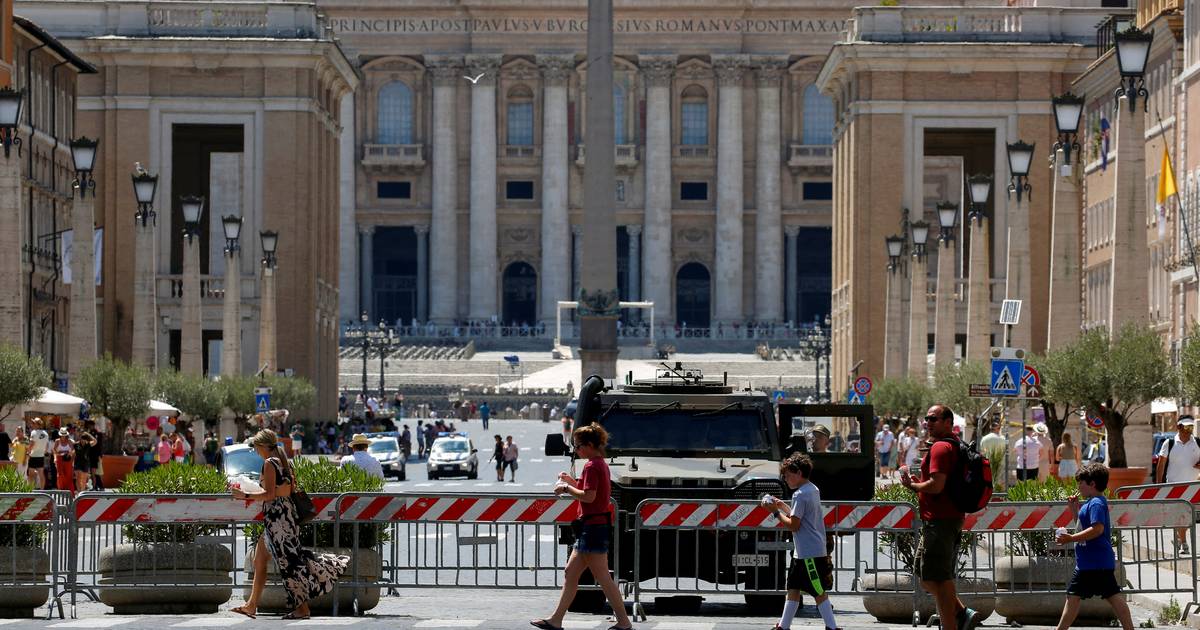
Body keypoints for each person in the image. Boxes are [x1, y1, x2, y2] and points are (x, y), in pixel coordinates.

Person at [232, 429, 348, 620]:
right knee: (260, 560)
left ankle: (305, 604)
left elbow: (269, 494)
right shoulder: (284, 463)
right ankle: (251, 605)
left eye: (255, 448)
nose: (255, 451)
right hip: (284, 518)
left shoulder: (269, 464)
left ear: (262, 446)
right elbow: (284, 491)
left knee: (290, 564)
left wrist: (244, 494)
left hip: (277, 522)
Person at [531, 424, 633, 630]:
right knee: (572, 573)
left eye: (577, 447)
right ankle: (556, 619)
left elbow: (589, 496)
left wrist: (566, 487)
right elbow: (589, 490)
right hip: (594, 526)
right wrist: (571, 481)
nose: (576, 450)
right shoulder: (599, 464)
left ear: (588, 445)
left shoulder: (591, 466)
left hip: (592, 527)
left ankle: (623, 622)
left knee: (603, 578)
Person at [901, 405, 980, 630]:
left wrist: (914, 485)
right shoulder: (950, 446)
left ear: (948, 422)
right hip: (942, 519)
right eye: (926, 419)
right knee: (926, 576)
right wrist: (920, 483)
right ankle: (963, 613)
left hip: (941, 520)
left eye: (934, 418)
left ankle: (953, 624)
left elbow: (936, 486)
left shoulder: (941, 448)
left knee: (939, 579)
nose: (928, 422)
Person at [1052, 463, 1134, 630]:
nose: (1078, 486)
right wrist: (1074, 510)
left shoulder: (1096, 503)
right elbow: (1083, 527)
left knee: (1078, 597)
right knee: (1095, 596)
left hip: (1094, 562)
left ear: (1092, 484)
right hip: (1092, 561)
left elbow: (1097, 529)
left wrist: (1070, 538)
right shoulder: (1092, 502)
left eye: (1081, 483)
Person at [765, 453, 839, 630]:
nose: (785, 479)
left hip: (808, 553)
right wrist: (783, 507)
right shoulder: (812, 489)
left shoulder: (800, 494)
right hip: (808, 551)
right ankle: (783, 626)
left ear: (798, 472)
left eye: (787, 475)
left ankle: (832, 627)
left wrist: (775, 512)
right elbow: (800, 518)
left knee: (817, 590)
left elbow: (794, 525)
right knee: (794, 588)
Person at [1154, 416, 1200, 555]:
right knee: (1179, 514)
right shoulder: (1169, 443)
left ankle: (1179, 538)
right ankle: (1184, 542)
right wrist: (1158, 486)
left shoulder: (1197, 443)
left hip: (1192, 486)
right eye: (1186, 427)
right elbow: (1161, 465)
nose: (1189, 430)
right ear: (1178, 427)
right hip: (1173, 486)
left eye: (1191, 427)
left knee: (1187, 516)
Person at [26, 418, 49, 489]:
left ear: (37, 424)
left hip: (33, 455)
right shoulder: (45, 433)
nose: (32, 425)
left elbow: (32, 444)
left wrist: (28, 452)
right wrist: (43, 452)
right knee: (41, 474)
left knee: (31, 474)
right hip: (41, 456)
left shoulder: (34, 432)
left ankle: (30, 490)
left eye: (33, 423)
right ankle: (42, 490)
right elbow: (47, 445)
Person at [52, 428, 75, 493]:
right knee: (60, 475)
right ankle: (61, 490)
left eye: (64, 435)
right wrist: (56, 457)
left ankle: (69, 491)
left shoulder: (70, 441)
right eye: (62, 435)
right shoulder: (57, 441)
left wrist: (68, 453)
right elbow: (54, 450)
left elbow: (73, 450)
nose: (63, 436)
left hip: (68, 459)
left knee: (69, 475)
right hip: (59, 459)